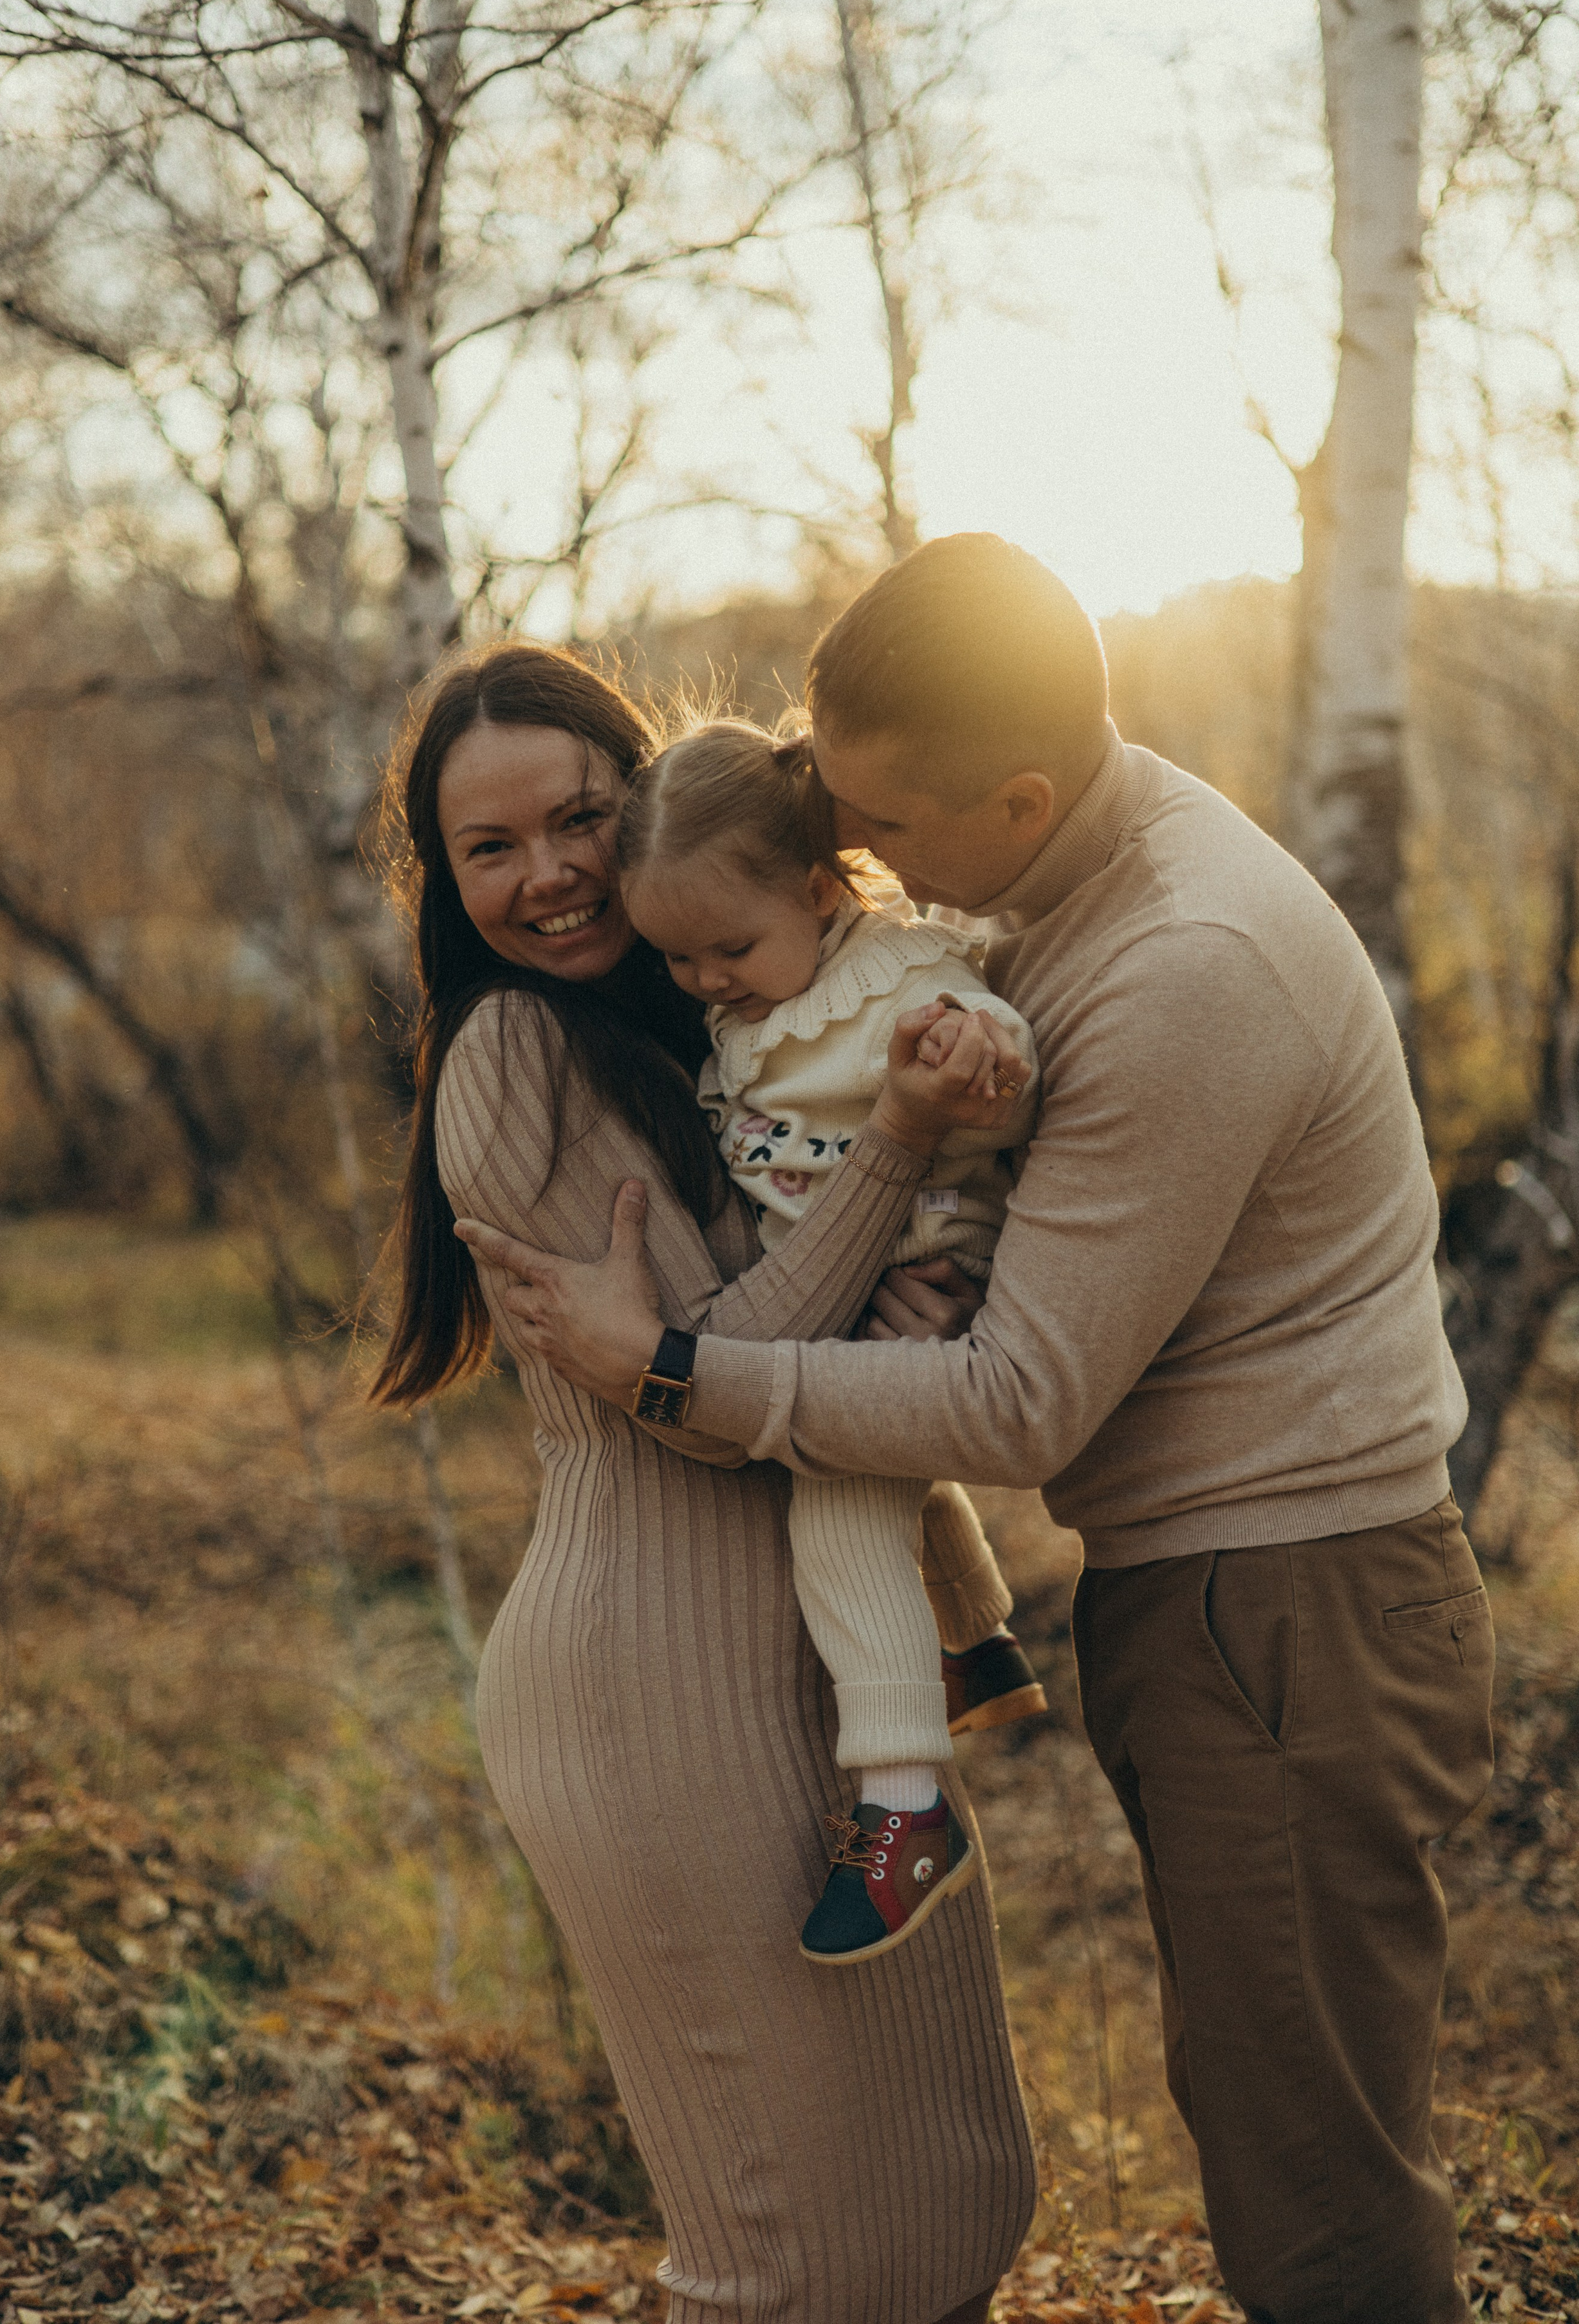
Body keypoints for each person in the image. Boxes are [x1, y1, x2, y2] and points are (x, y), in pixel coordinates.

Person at [457, 538, 1497, 2324]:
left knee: (1312, 2182)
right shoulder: (1056, 879)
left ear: (1017, 796)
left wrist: (676, 1373)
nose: (852, 860)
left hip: (1290, 1602)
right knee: (1275, 2125)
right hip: (1237, 1592)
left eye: (883, 824)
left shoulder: (1182, 962)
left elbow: (1017, 1400)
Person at [371, 641, 1037, 2324]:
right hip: (653, 1692)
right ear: (446, 884)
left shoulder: (728, 1014)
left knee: (956, 2202)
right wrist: (902, 1142)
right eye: (491, 850)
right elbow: (719, 1376)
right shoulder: (516, 1053)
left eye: (582, 816)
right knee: (801, 2257)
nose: (549, 876)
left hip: (812, 1661)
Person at [613, 715, 1046, 1964]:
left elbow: (983, 1026)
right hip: (849, 1288)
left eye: (727, 948)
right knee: (884, 1492)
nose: (705, 982)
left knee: (837, 1513)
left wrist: (979, 1053)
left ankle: (906, 1806)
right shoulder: (762, 992)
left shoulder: (893, 978)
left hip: (919, 1282)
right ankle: (976, 1646)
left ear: (820, 889)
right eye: (676, 959)